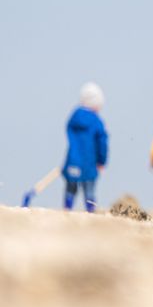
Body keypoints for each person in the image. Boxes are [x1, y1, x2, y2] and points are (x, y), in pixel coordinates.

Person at [62, 83, 108, 213]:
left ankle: (67, 209)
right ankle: (90, 211)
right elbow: (102, 143)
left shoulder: (74, 117)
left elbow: (69, 133)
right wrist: (102, 160)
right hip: (89, 162)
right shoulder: (96, 121)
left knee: (70, 188)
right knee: (89, 190)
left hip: (73, 160)